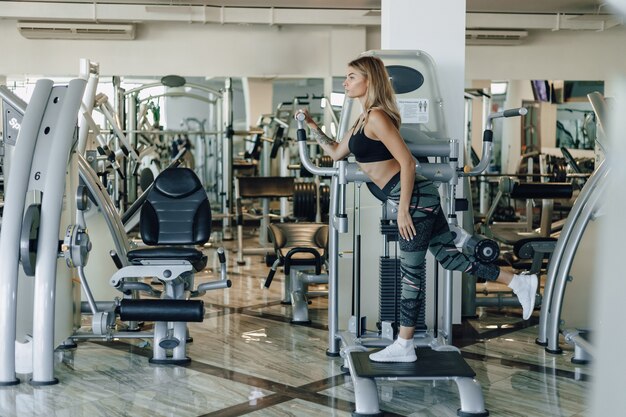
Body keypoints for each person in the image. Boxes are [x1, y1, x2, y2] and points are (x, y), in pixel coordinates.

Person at [300, 55, 538, 363]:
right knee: (450, 259)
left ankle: (404, 344)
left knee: (411, 275)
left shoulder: (377, 117)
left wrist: (402, 210)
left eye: (351, 77)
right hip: (415, 199)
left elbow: (408, 163)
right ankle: (518, 282)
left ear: (369, 81)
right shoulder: (361, 119)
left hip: (412, 200)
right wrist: (310, 125)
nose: (345, 82)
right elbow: (335, 153)